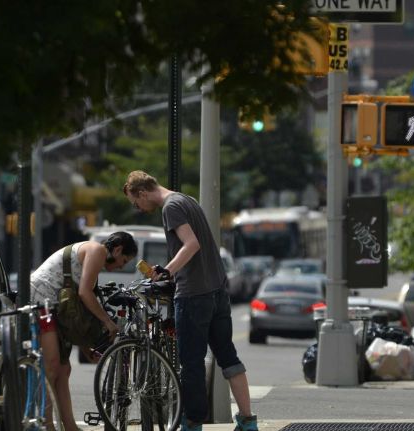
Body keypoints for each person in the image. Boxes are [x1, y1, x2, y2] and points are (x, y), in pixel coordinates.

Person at [123, 171, 258, 431]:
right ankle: (247, 420)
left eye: (135, 202)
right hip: (217, 290)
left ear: (142, 192)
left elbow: (191, 244)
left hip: (194, 294)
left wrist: (167, 271)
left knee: (192, 364)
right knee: (228, 357)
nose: (138, 208)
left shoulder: (170, 208)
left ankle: (193, 423)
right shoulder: (187, 200)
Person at [30, 232, 137, 431]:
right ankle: (48, 425)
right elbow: (84, 293)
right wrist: (107, 321)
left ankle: (70, 426)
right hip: (40, 302)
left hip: (56, 308)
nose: (122, 266)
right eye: (124, 260)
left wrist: (88, 344)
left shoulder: (96, 257)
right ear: (118, 249)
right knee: (52, 367)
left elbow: (80, 309)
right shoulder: (97, 250)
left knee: (64, 370)